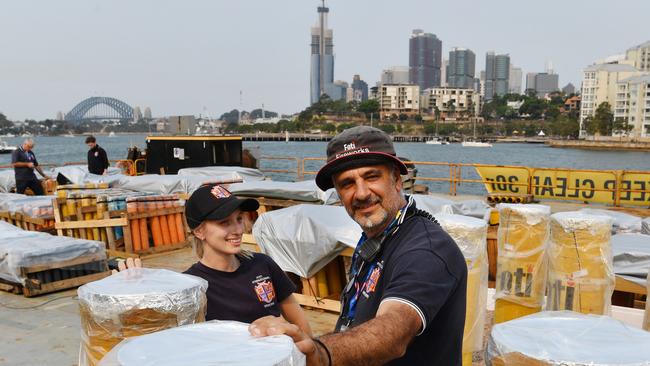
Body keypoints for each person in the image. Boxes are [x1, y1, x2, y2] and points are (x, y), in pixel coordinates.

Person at [250, 126, 467, 365]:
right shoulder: (378, 238)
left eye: (371, 176)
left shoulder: (426, 249)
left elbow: (393, 331)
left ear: (396, 179)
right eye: (347, 184)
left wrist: (321, 353)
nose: (361, 193)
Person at [115, 184, 312, 335]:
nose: (237, 230)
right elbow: (145, 329)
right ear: (199, 231)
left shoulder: (262, 264)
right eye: (224, 222)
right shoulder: (189, 286)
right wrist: (131, 292)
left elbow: (302, 327)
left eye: (239, 219)